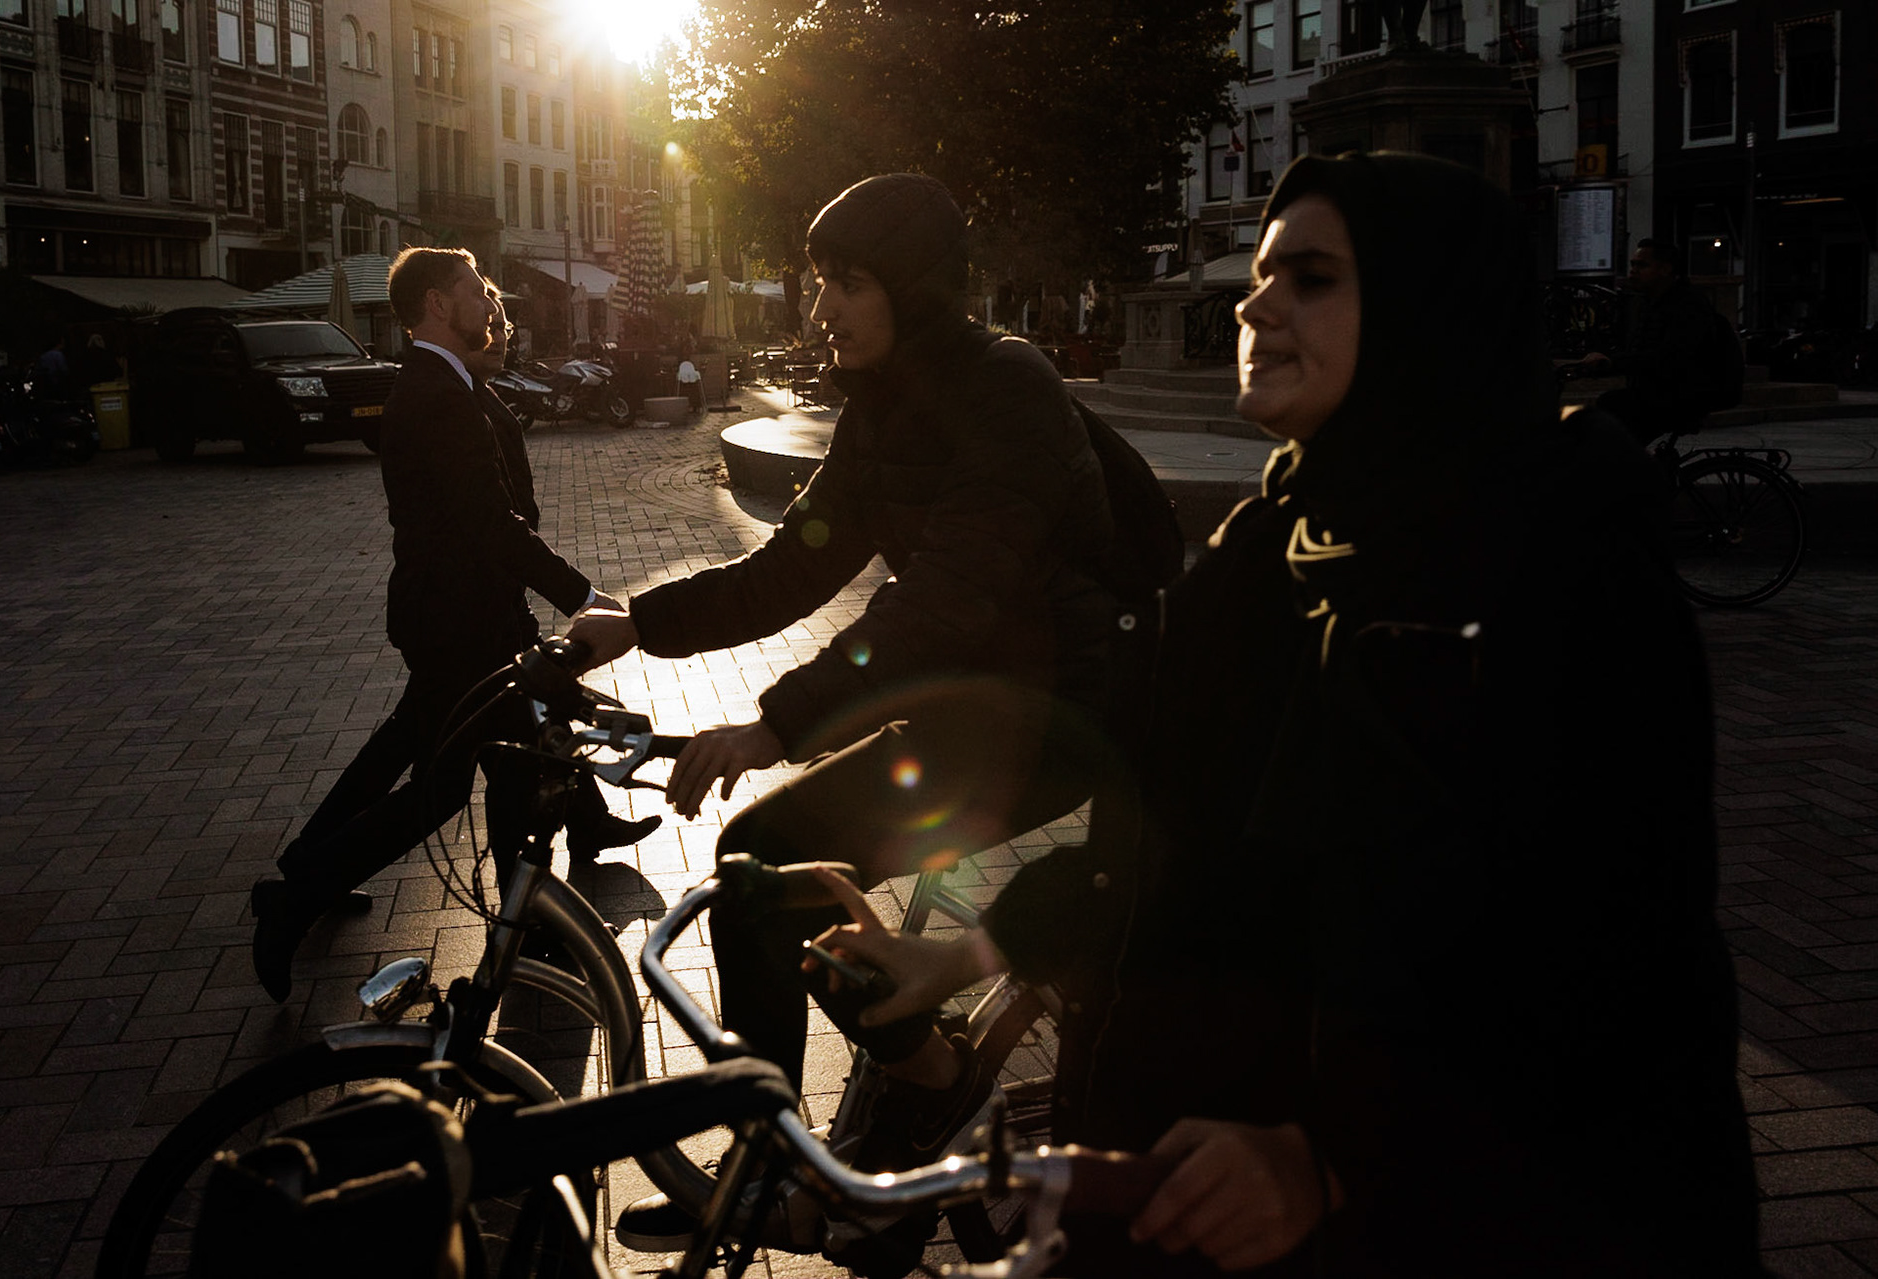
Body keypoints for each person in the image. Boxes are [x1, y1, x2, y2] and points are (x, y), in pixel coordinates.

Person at [817, 153, 1760, 1275]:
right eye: (1260, 276)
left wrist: (1337, 1156)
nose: (1257, 302)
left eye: (1310, 277)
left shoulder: (1563, 572)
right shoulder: (1273, 548)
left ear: (1428, 311)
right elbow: (1153, 842)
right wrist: (958, 959)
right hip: (1206, 1175)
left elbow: (1602, 958)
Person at [567, 172, 1131, 1250]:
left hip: (1060, 715)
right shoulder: (884, 408)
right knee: (767, 874)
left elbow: (938, 604)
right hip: (973, 706)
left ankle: (791, 1149)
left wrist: (776, 723)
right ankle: (920, 1073)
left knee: (761, 851)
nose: (820, 307)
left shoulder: (1005, 390)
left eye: (848, 281)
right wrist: (635, 622)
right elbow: (791, 566)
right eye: (820, 279)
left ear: (914, 292)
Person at [251, 249, 656, 1004]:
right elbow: (485, 522)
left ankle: (522, 924)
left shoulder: (448, 381)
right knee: (445, 789)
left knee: (511, 764)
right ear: (438, 304)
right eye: (476, 290)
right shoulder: (436, 392)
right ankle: (297, 893)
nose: (488, 300)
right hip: (457, 623)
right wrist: (584, 595)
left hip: (470, 616)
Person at [1571, 238, 1717, 446]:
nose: (1634, 271)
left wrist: (1613, 362)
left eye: (1642, 265)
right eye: (1632, 265)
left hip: (1679, 396)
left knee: (1610, 418)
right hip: (1659, 393)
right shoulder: (1651, 302)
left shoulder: (1686, 305)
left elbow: (1668, 356)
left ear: (1665, 269)